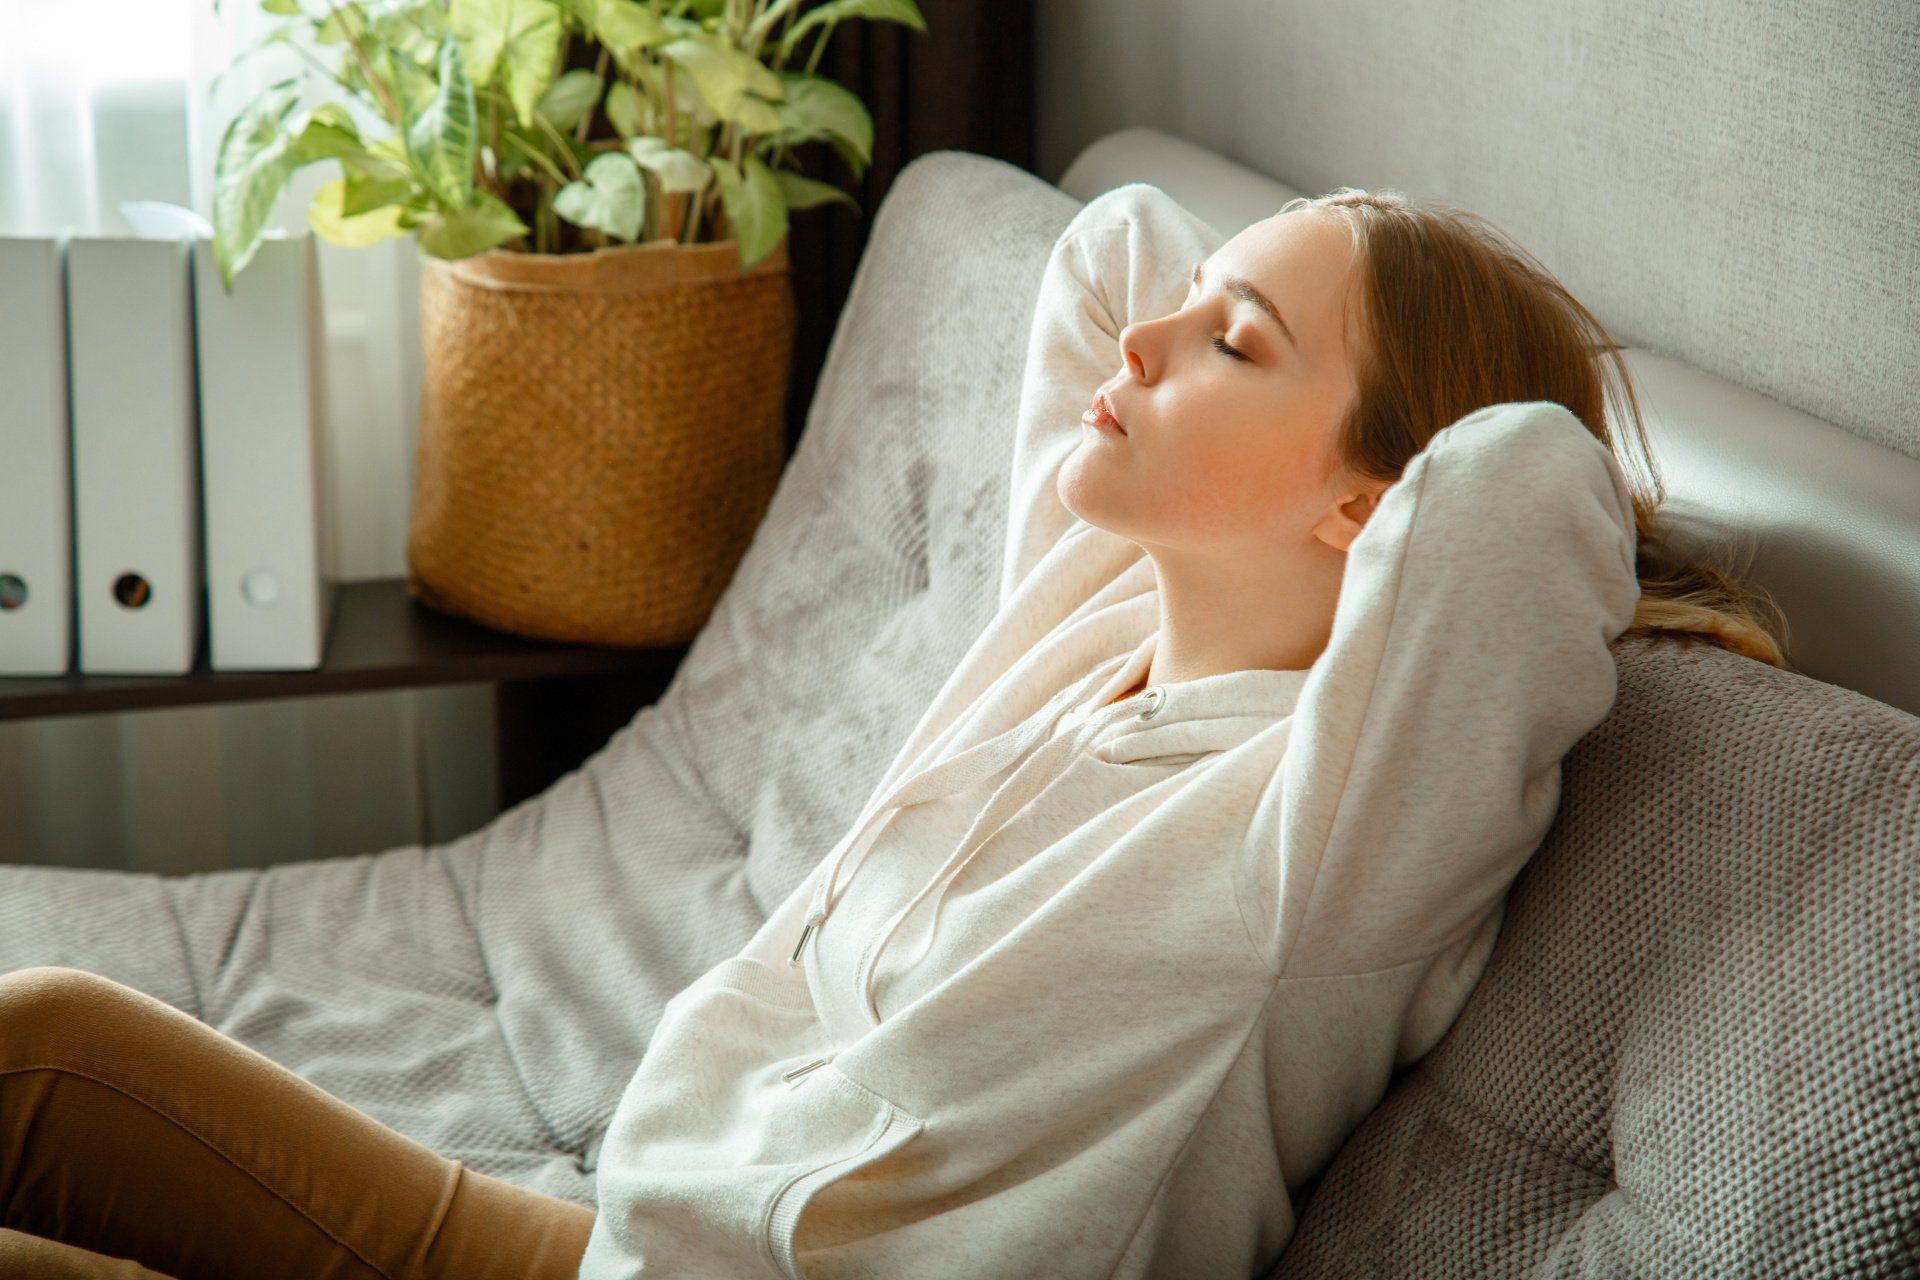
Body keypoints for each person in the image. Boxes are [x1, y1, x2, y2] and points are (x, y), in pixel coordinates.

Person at [0, 180, 1789, 1280]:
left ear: (1374, 513)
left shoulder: (1314, 852)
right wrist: (1264, 308)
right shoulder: (1084, 627)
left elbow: (1521, 491)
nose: (1152, 339)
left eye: (1233, 345)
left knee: (41, 1099)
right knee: (48, 1071)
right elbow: (1113, 250)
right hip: (604, 1251)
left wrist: (1415, 398)